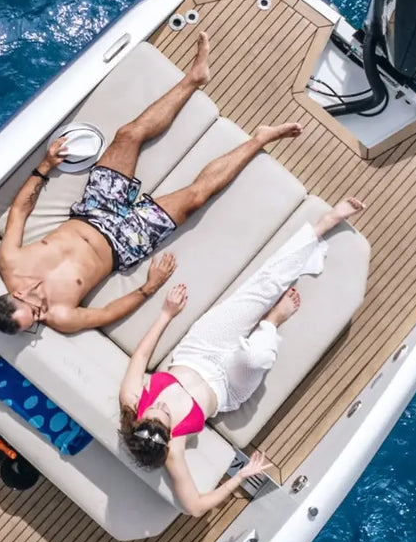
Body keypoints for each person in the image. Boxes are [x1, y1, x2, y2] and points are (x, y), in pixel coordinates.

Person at [0, 32, 303, 335]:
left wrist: (44, 166)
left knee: (128, 135)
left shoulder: (11, 263)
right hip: (125, 242)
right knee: (195, 198)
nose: (39, 319)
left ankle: (195, 77)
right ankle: (260, 138)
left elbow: (19, 212)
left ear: (17, 295)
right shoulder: (59, 316)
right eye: (33, 325)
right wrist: (147, 289)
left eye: (32, 314)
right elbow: (104, 314)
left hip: (93, 210)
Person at [117, 197, 365, 516]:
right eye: (165, 415)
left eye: (155, 408)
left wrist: (166, 315)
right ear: (166, 438)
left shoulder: (132, 398)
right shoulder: (173, 451)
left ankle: (322, 225)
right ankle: (273, 321)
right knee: (256, 356)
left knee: (259, 288)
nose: (162, 406)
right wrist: (241, 476)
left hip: (198, 351)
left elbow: (141, 355)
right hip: (227, 388)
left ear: (138, 418)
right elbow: (194, 507)